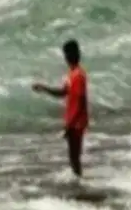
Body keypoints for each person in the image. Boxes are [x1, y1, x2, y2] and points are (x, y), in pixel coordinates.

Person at [32, 39, 90, 178]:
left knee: (74, 156)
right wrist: (44, 89)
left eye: (69, 53)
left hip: (77, 122)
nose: (67, 57)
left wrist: (70, 125)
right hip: (73, 120)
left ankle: (79, 183)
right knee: (73, 156)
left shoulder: (79, 76)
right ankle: (78, 182)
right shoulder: (72, 74)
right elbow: (63, 92)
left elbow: (81, 102)